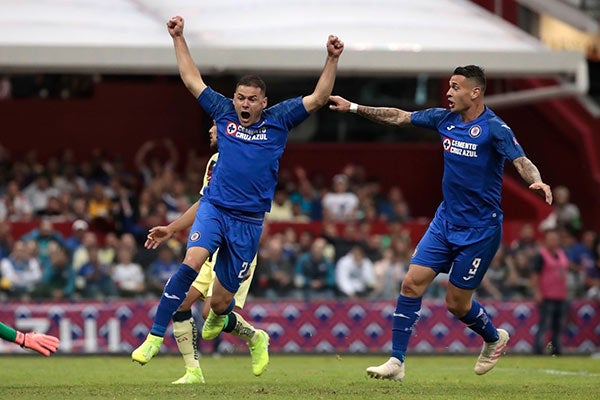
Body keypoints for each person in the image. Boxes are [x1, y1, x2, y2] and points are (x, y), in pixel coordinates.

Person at [131, 15, 343, 365]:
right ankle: (153, 337)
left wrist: (332, 59)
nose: (245, 104)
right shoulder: (223, 112)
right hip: (216, 209)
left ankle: (254, 335)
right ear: (234, 98)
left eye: (252, 99)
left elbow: (320, 97)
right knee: (191, 262)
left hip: (248, 223)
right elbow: (191, 79)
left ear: (263, 102)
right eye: (241, 98)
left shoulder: (280, 119)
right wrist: (179, 37)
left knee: (218, 308)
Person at [329, 65, 552, 381]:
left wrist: (538, 181)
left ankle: (493, 337)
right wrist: (353, 107)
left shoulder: (495, 128)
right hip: (445, 221)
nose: (448, 92)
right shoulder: (443, 119)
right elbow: (398, 116)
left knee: (457, 304)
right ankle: (397, 361)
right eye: (449, 86)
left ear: (475, 92)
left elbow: (521, 160)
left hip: (480, 230)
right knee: (411, 282)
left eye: (456, 87)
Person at [135, 122, 268, 383]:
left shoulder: (251, 160)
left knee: (211, 313)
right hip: (213, 244)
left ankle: (255, 337)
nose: (209, 130)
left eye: (215, 126)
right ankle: (193, 371)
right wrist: (172, 229)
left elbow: (255, 210)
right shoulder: (215, 161)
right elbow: (205, 202)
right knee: (182, 302)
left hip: (237, 246)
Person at [531, 228, 569, 355]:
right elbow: (535, 275)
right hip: (547, 296)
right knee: (544, 324)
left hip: (561, 295)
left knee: (558, 325)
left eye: (555, 239)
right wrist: (537, 292)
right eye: (551, 239)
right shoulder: (540, 255)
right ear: (545, 241)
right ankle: (538, 349)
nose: (553, 241)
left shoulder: (562, 254)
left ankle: (556, 349)